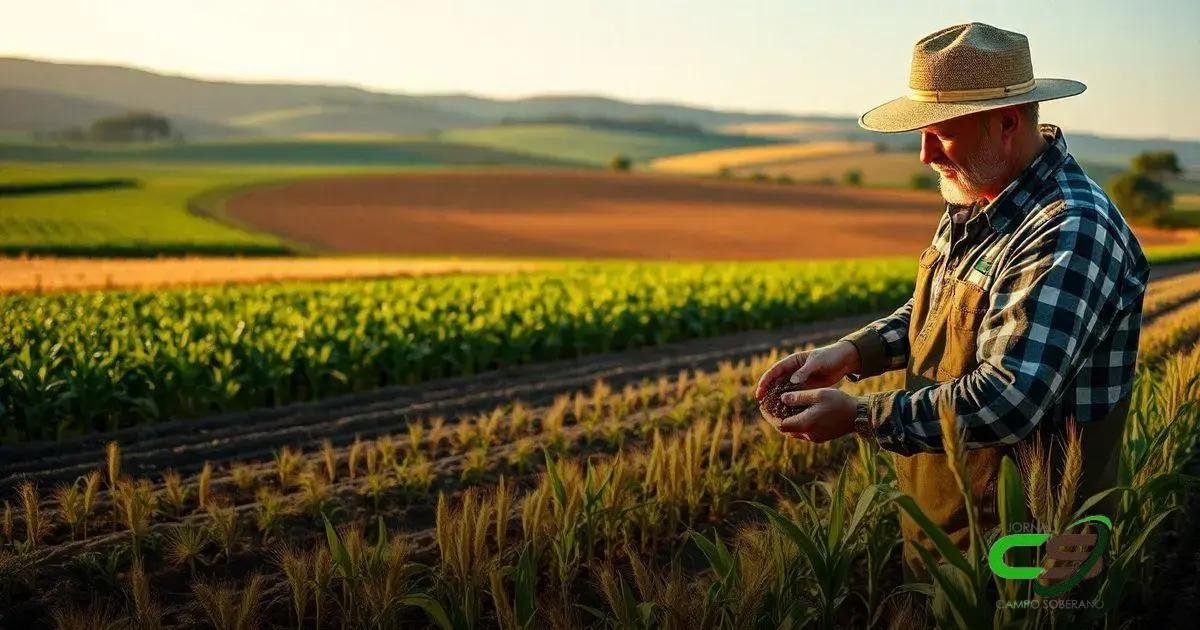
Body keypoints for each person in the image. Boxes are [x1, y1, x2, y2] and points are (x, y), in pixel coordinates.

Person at [753, 22, 1149, 578]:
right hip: (956, 526)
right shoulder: (981, 194)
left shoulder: (1068, 230)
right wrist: (851, 353)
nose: (924, 155)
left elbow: (1009, 398)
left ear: (1007, 122)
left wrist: (862, 416)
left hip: (1026, 550)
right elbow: (942, 308)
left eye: (941, 133)